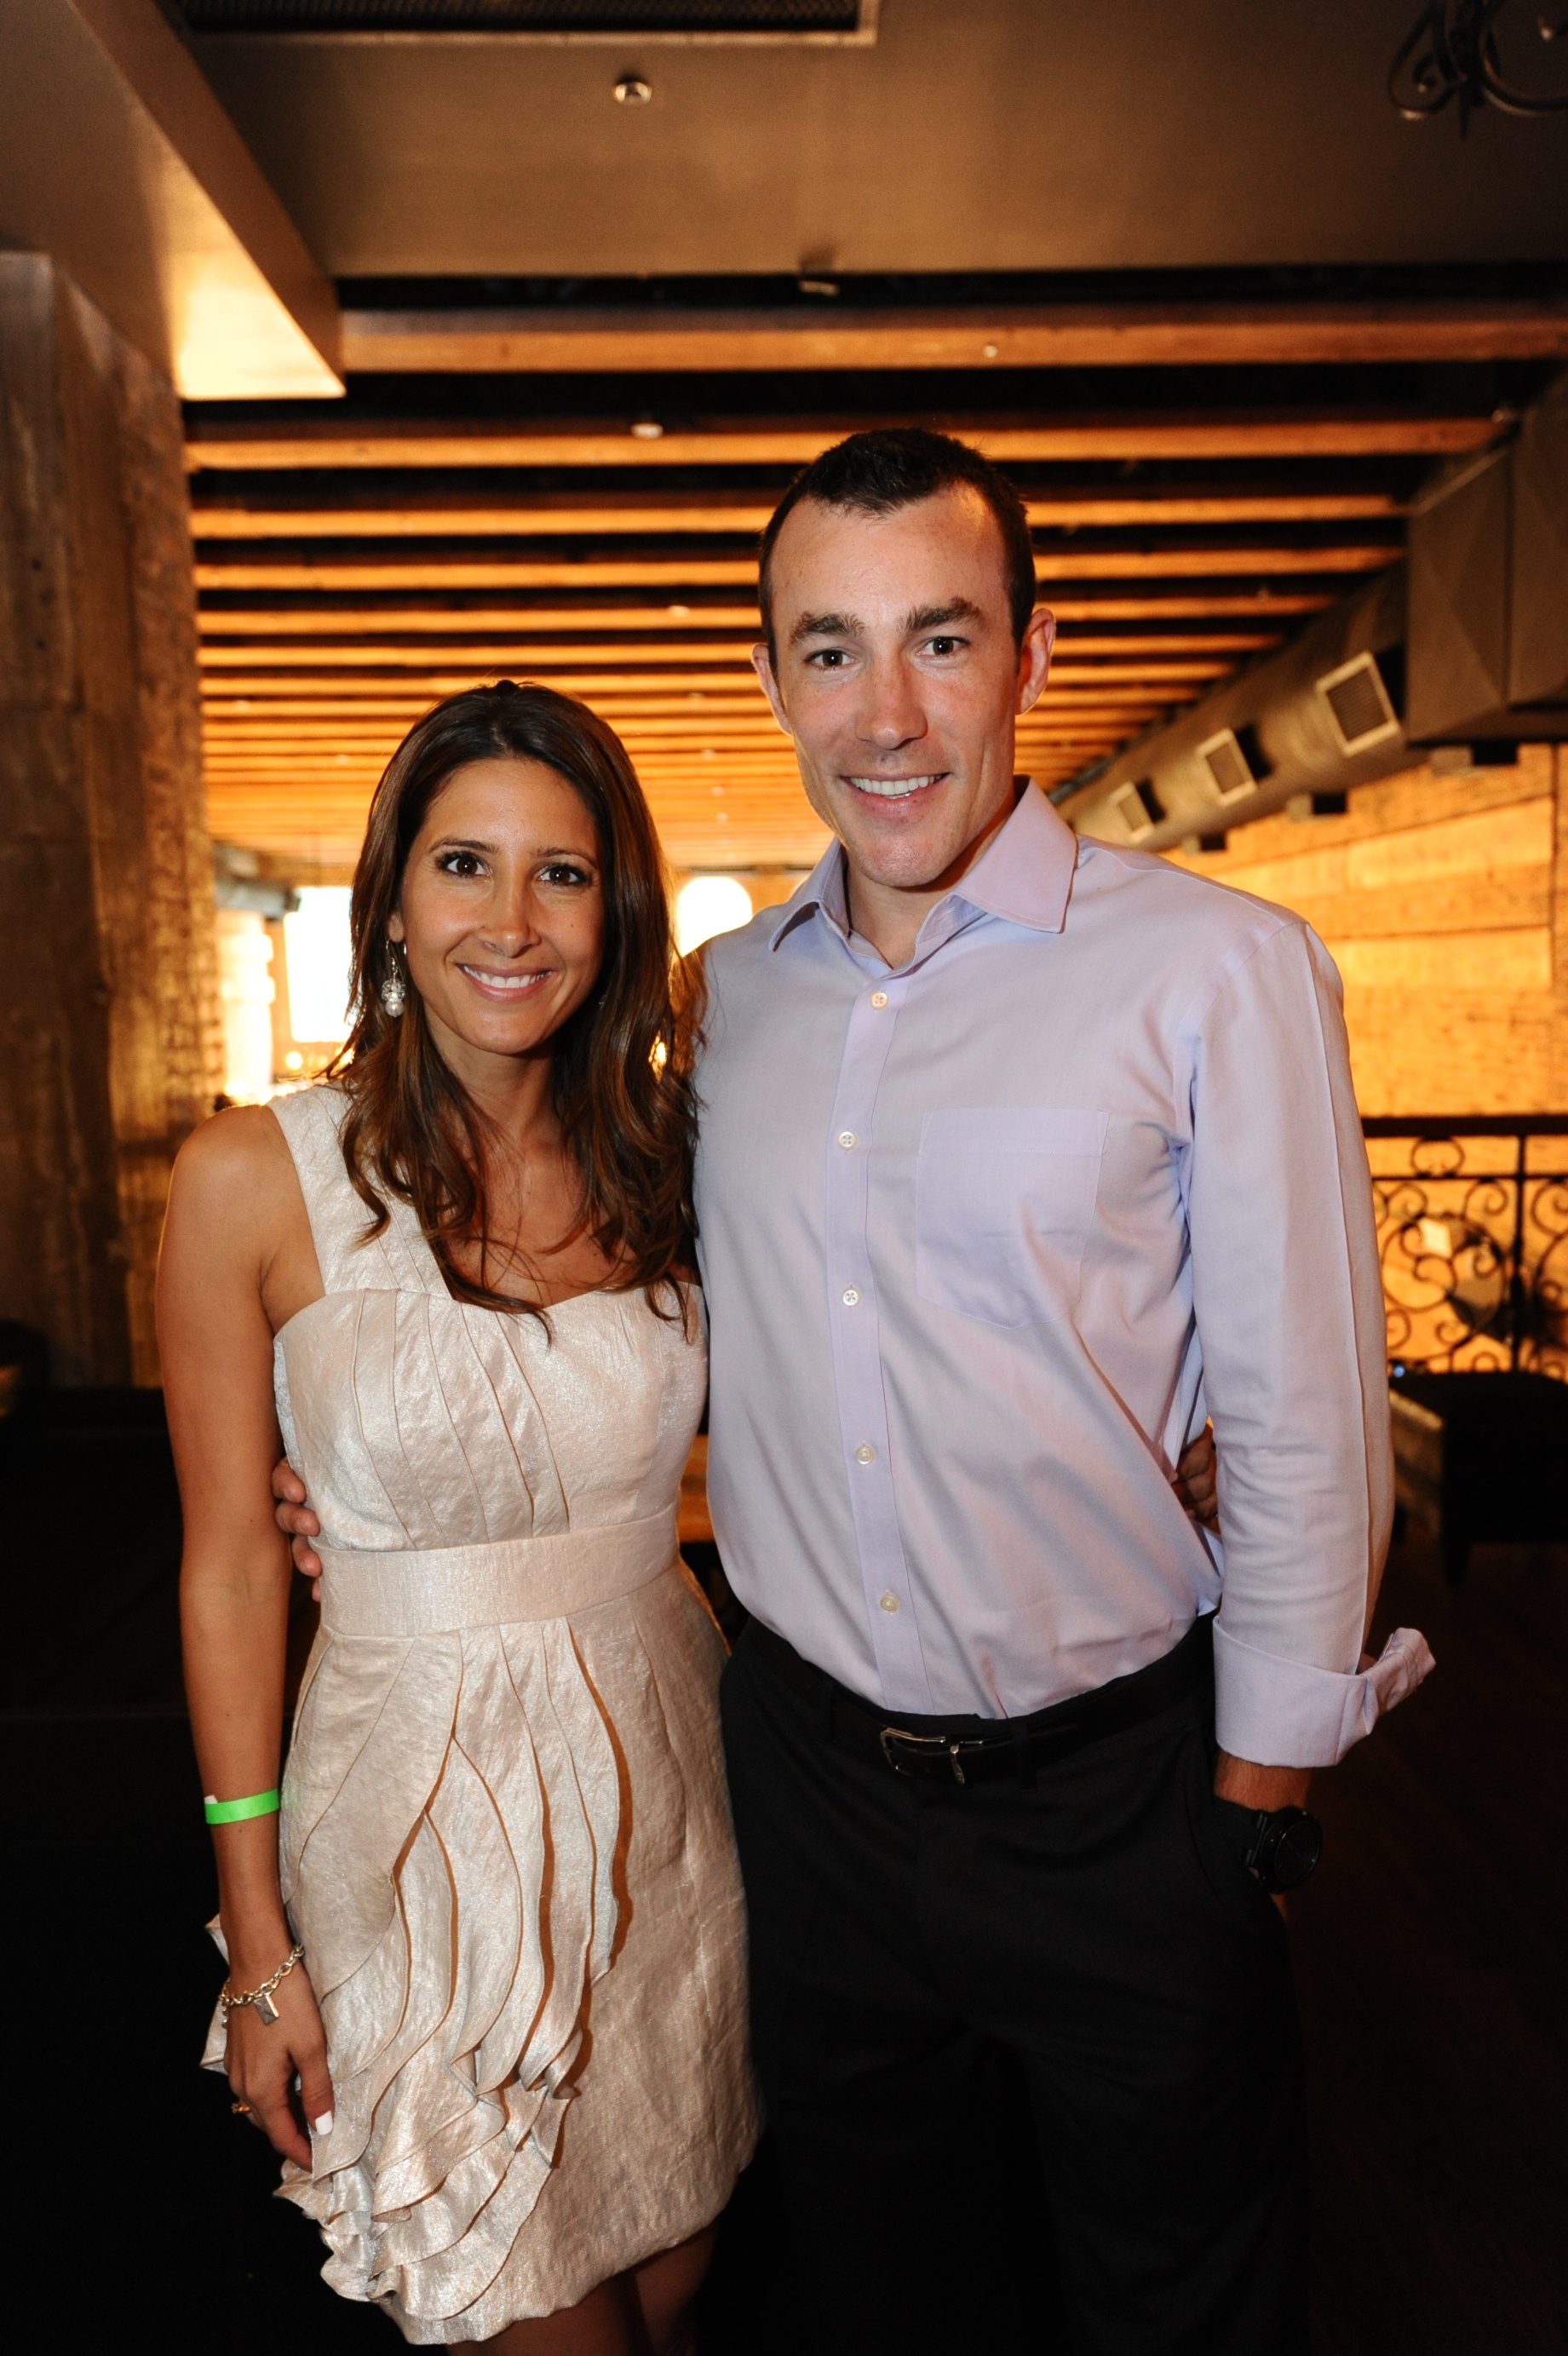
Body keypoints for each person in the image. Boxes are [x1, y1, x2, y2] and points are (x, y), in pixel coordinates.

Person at [273, 428, 1433, 2353]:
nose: (885, 714)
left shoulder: (1219, 971)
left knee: (1184, 2308)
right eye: (831, 649)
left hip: (1122, 1798)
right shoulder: (720, 1006)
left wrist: (1255, 1807)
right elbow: (625, 1307)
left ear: (1031, 654)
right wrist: (395, 1488)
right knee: (882, 2302)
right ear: (772, 677)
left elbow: (1307, 1413)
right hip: (803, 1802)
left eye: (940, 640)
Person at [162, 683, 758, 2353]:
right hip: (413, 1824)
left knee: (666, 2287)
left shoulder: (673, 1157)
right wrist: (258, 1943)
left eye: (560, 873)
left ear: (613, 909)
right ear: (391, 897)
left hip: (673, 1802)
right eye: (462, 864)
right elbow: (228, 1572)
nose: (511, 921)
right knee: (515, 2294)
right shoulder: (251, 1177)